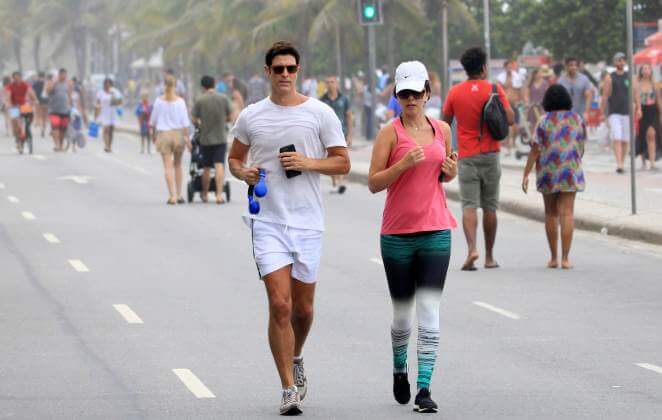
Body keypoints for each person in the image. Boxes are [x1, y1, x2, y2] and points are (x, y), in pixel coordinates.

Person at [228, 41, 349, 416]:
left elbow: (342, 163)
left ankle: (296, 355)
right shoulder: (251, 116)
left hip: (308, 222)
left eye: (290, 69)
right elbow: (233, 158)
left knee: (303, 310)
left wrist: (307, 162)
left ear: (298, 71)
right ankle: (287, 388)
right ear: (267, 72)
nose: (284, 74)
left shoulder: (320, 113)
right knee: (279, 305)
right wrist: (242, 172)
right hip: (267, 221)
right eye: (277, 68)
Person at [368, 60, 457, 414]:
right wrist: (402, 165)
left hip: (436, 230)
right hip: (397, 235)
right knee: (403, 315)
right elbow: (374, 182)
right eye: (404, 93)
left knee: (430, 309)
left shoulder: (442, 130)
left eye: (416, 93)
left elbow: (446, 174)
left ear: (427, 94)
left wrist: (450, 172)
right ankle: (398, 366)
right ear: (396, 96)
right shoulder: (389, 133)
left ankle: (424, 389)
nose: (410, 99)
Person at [442, 47, 514, 271]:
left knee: (469, 205)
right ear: (483, 67)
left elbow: (445, 122)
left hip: (467, 156)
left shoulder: (454, 92)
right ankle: (489, 257)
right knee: (490, 207)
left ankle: (472, 248)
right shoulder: (494, 89)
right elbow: (510, 119)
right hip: (491, 154)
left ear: (465, 69)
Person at [522, 84, 585, 269]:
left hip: (548, 172)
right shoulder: (577, 119)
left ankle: (553, 257)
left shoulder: (543, 121)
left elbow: (535, 150)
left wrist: (526, 174)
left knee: (551, 213)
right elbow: (581, 147)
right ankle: (566, 259)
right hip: (570, 171)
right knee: (567, 213)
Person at [150, 75, 192, 205]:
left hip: (164, 135)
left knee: (168, 166)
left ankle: (172, 196)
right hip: (178, 134)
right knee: (178, 165)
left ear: (164, 85)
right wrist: (187, 138)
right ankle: (179, 195)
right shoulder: (180, 102)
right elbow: (185, 123)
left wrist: (153, 135)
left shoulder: (158, 101)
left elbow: (153, 121)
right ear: (175, 85)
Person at [192, 75, 233, 204]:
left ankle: (204, 194)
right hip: (221, 138)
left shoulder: (200, 100)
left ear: (202, 86)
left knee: (206, 168)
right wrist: (223, 121)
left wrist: (200, 124)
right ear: (214, 84)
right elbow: (230, 116)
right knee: (219, 165)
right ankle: (219, 195)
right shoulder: (224, 98)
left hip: (205, 139)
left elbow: (194, 118)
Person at [320, 75, 353, 194]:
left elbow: (349, 116)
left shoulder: (344, 99)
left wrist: (350, 134)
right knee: (331, 159)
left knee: (342, 158)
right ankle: (335, 182)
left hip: (342, 133)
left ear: (337, 84)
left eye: (332, 82)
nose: (330, 84)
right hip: (327, 133)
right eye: (328, 82)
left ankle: (340, 181)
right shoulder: (322, 100)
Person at [601, 53, 631, 174]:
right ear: (615, 62)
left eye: (623, 60)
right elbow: (605, 96)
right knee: (617, 138)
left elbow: (634, 93)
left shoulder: (629, 76)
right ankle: (619, 163)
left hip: (627, 111)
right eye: (618, 60)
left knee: (625, 140)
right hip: (614, 112)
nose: (621, 62)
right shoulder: (610, 77)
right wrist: (604, 113)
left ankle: (622, 162)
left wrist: (638, 107)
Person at [634, 64, 661, 170]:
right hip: (642, 111)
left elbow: (658, 98)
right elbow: (636, 98)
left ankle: (652, 161)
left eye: (648, 68)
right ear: (641, 71)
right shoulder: (638, 84)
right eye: (644, 68)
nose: (646, 71)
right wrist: (639, 109)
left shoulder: (655, 84)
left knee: (651, 134)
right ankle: (643, 160)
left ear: (651, 71)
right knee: (642, 135)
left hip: (653, 110)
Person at [497, 59, 525, 156]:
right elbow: (500, 88)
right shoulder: (501, 77)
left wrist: (522, 101)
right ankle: (508, 147)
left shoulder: (517, 76)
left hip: (515, 104)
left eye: (510, 66)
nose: (509, 68)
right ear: (505, 67)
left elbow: (520, 89)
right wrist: (508, 79)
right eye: (507, 66)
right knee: (509, 126)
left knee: (516, 127)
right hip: (505, 105)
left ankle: (512, 142)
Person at [6, 71, 38, 153]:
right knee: (14, 123)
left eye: (19, 77)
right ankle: (17, 139)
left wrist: (35, 100)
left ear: (21, 77)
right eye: (16, 77)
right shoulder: (10, 86)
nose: (18, 79)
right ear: (13, 78)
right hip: (14, 106)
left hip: (23, 105)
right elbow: (8, 96)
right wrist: (9, 104)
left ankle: (27, 130)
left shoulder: (24, 84)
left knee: (30, 115)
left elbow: (31, 92)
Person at [557, 57, 593, 122]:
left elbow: (588, 96)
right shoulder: (560, 81)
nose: (574, 67)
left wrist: (587, 112)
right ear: (566, 66)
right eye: (571, 65)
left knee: (579, 132)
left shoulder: (584, 79)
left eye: (575, 65)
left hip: (580, 115)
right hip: (565, 116)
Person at [46, 68, 73, 152]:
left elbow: (69, 96)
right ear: (59, 74)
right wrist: (54, 82)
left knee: (62, 129)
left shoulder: (68, 84)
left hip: (65, 110)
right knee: (55, 127)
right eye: (62, 74)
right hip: (54, 109)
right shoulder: (52, 82)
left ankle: (61, 145)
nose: (64, 76)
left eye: (65, 74)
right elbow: (48, 91)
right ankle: (56, 144)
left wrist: (71, 108)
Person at [95, 78, 123, 153]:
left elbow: (120, 101)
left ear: (111, 84)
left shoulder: (115, 91)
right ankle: (106, 145)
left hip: (112, 112)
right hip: (104, 112)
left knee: (111, 130)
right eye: (105, 83)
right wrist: (96, 113)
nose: (107, 85)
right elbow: (97, 103)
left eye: (109, 84)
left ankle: (110, 146)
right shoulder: (100, 92)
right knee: (105, 129)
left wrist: (115, 101)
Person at [523, 68, 549, 136]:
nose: (538, 75)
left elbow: (548, 94)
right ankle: (533, 139)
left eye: (539, 73)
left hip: (542, 106)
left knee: (543, 123)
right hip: (532, 106)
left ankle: (543, 138)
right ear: (534, 75)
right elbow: (526, 95)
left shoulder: (545, 83)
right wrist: (527, 103)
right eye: (536, 74)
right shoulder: (530, 84)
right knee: (533, 124)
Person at [32, 72, 48, 138]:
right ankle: (43, 129)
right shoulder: (47, 84)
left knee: (40, 116)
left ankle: (42, 129)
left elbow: (33, 93)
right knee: (44, 117)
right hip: (46, 102)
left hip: (39, 102)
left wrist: (35, 100)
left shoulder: (35, 84)